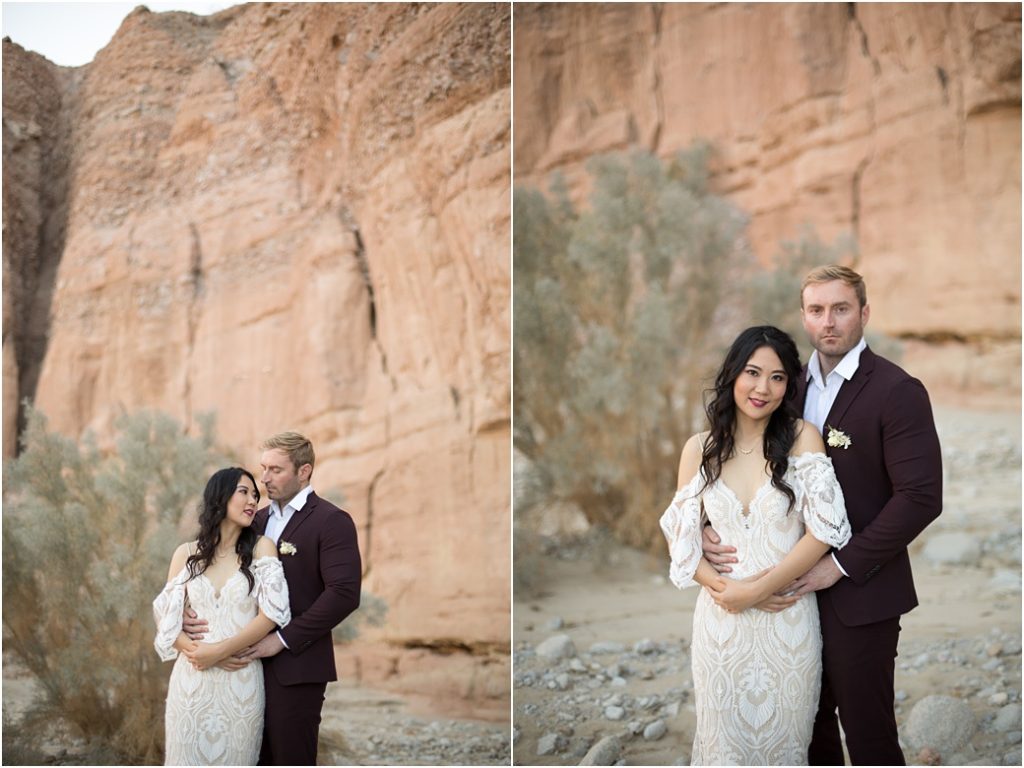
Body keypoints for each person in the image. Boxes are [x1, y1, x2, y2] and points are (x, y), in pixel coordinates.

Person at [703, 265, 943, 765]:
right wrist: (709, 525)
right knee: (808, 735)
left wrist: (838, 565)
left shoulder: (897, 391)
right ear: (804, 317)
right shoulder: (785, 388)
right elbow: (739, 458)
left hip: (862, 593)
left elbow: (920, 497)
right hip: (785, 599)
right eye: (816, 310)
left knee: (869, 734)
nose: (828, 322)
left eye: (841, 309)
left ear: (864, 313)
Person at [660, 325, 852, 765]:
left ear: (789, 386)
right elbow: (681, 539)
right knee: (722, 748)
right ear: (733, 374)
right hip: (721, 628)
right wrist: (726, 589)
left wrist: (760, 590)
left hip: (788, 624)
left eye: (778, 377)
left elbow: (824, 531)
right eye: (752, 372)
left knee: (785, 748)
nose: (763, 388)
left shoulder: (804, 436)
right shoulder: (699, 449)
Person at [182, 431, 362, 765]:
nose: (264, 478)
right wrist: (186, 612)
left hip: (297, 667)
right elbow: (216, 569)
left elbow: (344, 594)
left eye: (275, 470)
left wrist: (281, 639)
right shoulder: (255, 520)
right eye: (262, 469)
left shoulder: (331, 521)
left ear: (304, 472)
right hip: (240, 667)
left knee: (290, 757)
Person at [153, 466, 291, 765]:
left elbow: (271, 615)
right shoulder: (186, 553)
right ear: (220, 496)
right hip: (192, 680)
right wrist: (196, 651)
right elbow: (167, 618)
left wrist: (219, 651)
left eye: (256, 494)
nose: (253, 500)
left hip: (240, 680)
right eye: (244, 492)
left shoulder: (261, 548)